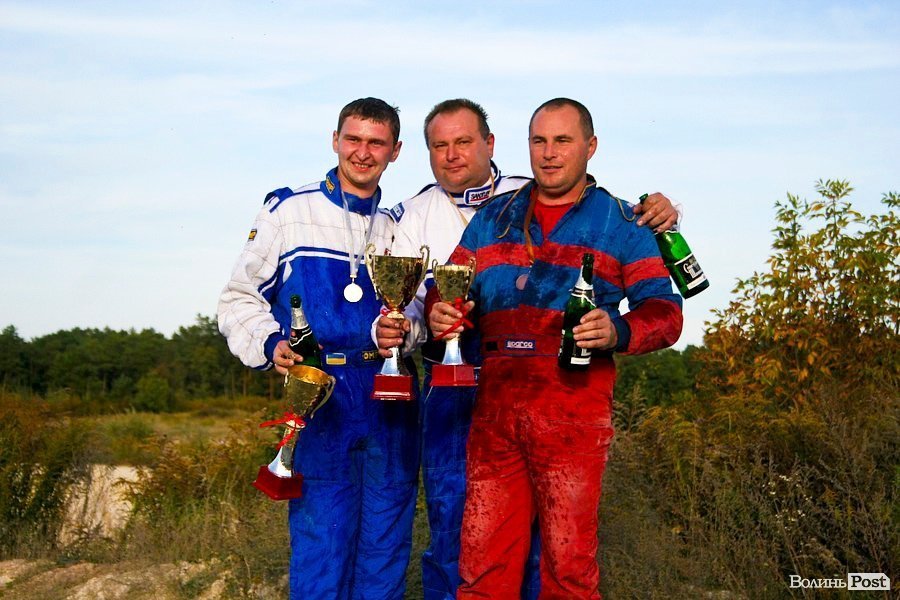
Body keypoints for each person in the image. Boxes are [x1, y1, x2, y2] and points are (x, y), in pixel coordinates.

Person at [375, 99, 679, 599]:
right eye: (539, 141)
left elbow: (665, 313)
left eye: (563, 141)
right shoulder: (494, 217)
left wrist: (618, 331)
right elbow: (448, 289)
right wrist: (440, 310)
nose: (549, 153)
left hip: (573, 407)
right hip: (494, 407)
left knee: (567, 564)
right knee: (481, 565)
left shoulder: (624, 222)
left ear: (590, 147)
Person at [218, 98, 419, 599]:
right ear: (335, 140)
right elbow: (239, 296)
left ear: (395, 151)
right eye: (353, 139)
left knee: (385, 546)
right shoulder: (289, 211)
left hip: (389, 396)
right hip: (321, 392)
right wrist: (271, 342)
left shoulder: (399, 227)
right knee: (322, 543)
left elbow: (417, 311)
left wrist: (404, 332)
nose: (362, 152)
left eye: (376, 143)